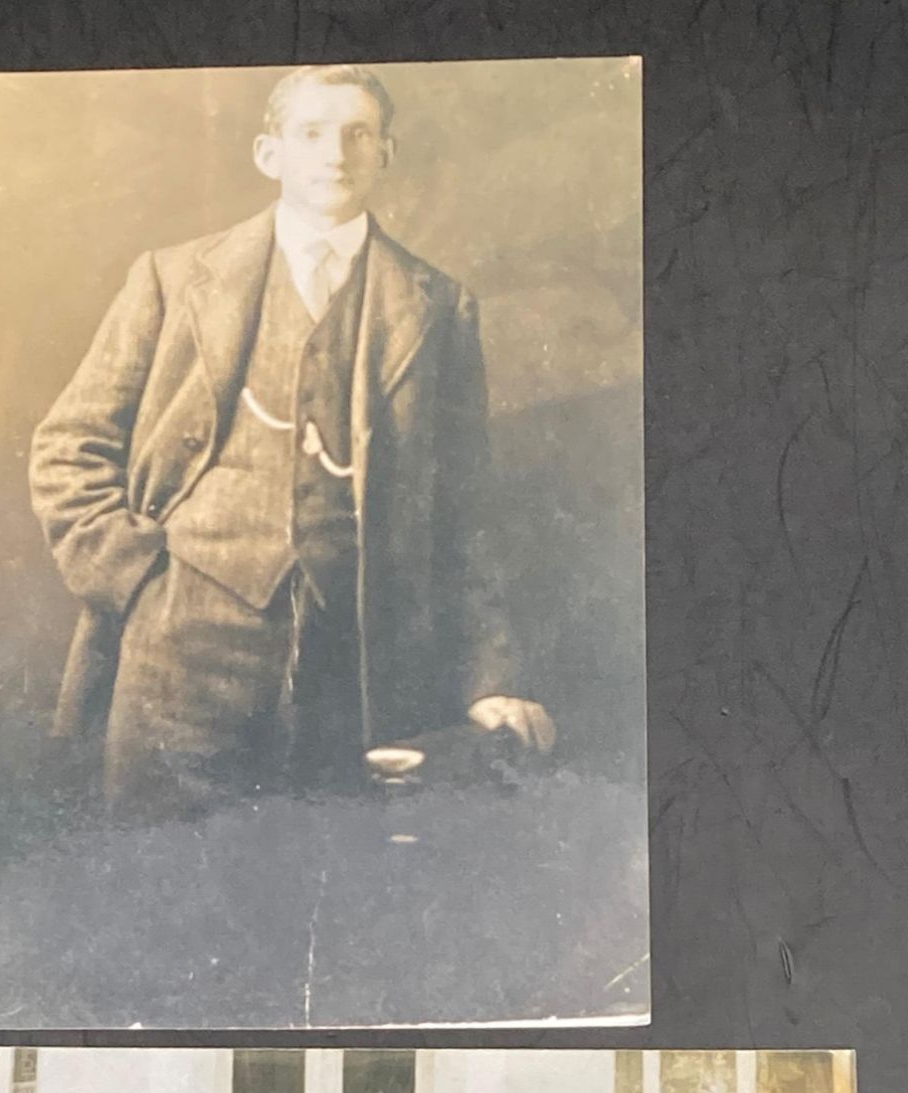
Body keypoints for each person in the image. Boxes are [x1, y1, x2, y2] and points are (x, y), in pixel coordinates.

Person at [30, 64, 553, 818]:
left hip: (358, 656)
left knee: (324, 888)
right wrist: (141, 583)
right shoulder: (174, 280)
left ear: (386, 154)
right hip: (180, 653)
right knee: (168, 883)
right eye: (311, 133)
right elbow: (67, 446)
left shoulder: (438, 306)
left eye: (357, 134)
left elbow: (467, 515)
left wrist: (491, 675)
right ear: (269, 154)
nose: (334, 152)